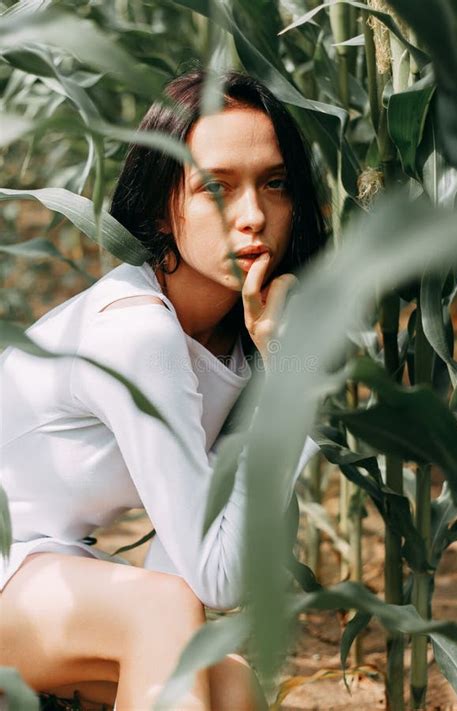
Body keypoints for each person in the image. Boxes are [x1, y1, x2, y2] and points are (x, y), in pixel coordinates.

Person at [0, 68, 328, 710]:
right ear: (160, 206)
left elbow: (192, 563)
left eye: (275, 184)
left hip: (53, 574)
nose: (254, 216)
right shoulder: (136, 332)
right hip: (22, 571)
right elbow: (214, 574)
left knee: (229, 683)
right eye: (217, 187)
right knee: (163, 609)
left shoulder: (238, 336)